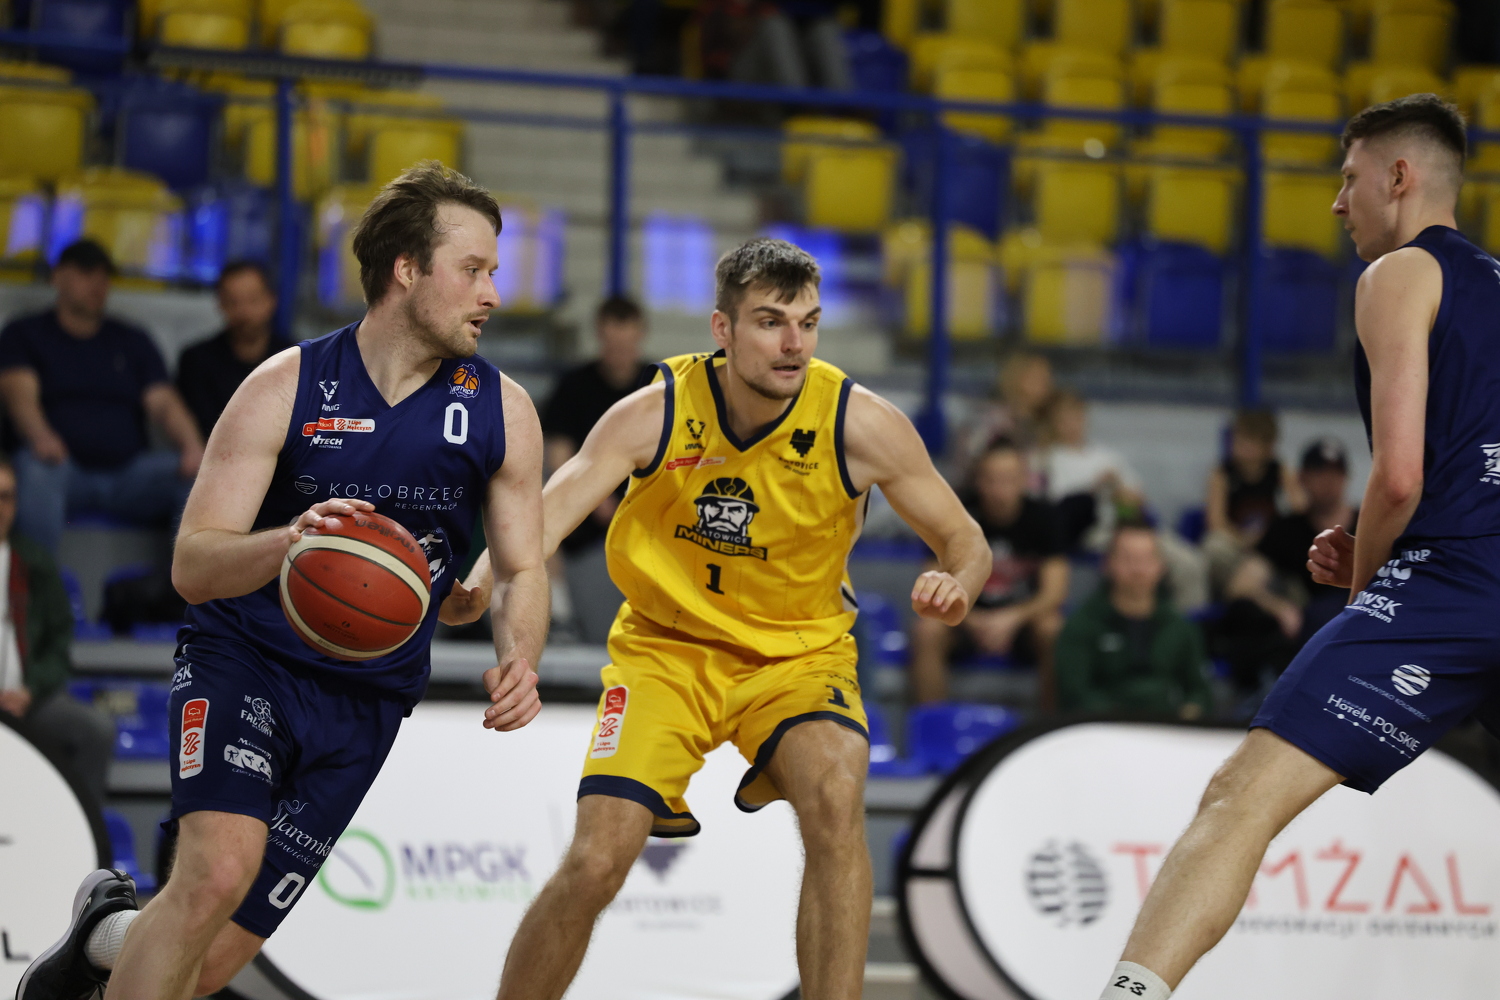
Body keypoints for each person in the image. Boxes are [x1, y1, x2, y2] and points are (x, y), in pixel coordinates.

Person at [17, 162, 548, 1000]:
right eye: (473, 269)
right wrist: (289, 543)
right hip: (247, 658)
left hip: (368, 698)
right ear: (407, 269)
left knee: (205, 968)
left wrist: (519, 655)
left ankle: (101, 939)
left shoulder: (502, 409)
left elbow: (521, 567)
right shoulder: (284, 385)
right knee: (215, 874)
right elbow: (193, 564)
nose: (493, 293)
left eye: (494, 271)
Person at [464, 237, 990, 1000]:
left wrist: (958, 582)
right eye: (771, 322)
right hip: (665, 654)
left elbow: (966, 539)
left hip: (798, 660)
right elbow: (547, 515)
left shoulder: (859, 423)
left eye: (807, 323)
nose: (794, 344)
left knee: (836, 799)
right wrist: (479, 581)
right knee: (597, 860)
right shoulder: (656, 411)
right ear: (723, 329)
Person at [1098, 94, 1490, 1000]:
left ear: (1400, 177)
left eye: (1350, 178)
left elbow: (1399, 476)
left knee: (1240, 798)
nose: (1338, 202)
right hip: (1475, 562)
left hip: (1451, 579)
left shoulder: (1398, 274)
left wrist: (1369, 592)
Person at [0, 239, 204, 553]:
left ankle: (188, 582)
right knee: (35, 471)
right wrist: (40, 436)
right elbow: (19, 395)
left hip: (129, 475)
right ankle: (39, 582)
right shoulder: (26, 333)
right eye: (85, 272)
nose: (97, 283)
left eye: (103, 275)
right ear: (58, 276)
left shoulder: (131, 339)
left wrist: (192, 446)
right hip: (62, 469)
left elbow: (164, 403)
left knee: (199, 477)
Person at [908, 440, 1068, 706]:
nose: (999, 490)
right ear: (978, 480)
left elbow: (1055, 592)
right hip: (962, 616)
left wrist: (1012, 618)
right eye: (991, 480)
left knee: (1053, 629)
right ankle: (933, 722)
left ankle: (1053, 723)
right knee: (927, 631)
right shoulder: (954, 515)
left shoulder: (1045, 518)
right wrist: (971, 618)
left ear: (1024, 480)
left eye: (1008, 479)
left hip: (1022, 620)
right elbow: (931, 584)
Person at [539, 294, 656, 641]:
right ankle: (559, 616)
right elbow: (559, 452)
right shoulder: (574, 386)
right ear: (599, 336)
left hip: (642, 508)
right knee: (537, 507)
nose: (619, 352)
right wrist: (594, 495)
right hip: (586, 507)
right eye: (612, 343)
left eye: (626, 344)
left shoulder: (658, 387)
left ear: (640, 335)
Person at [0, 455, 116, 806]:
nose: (0, 507)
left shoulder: (33, 562)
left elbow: (58, 641)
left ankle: (83, 828)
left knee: (95, 731)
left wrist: (29, 690)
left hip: (28, 699)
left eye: (6, 497)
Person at [1054, 523, 1211, 720]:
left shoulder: (1180, 626)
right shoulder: (1082, 625)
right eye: (1128, 559)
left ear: (1161, 565)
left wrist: (1190, 712)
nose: (1138, 569)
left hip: (1168, 729)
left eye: (1147, 559)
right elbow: (1074, 694)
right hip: (1104, 729)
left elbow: (1200, 691)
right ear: (1107, 564)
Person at [176, 261, 289, 439]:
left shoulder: (295, 358)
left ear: (271, 301)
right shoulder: (196, 360)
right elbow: (203, 428)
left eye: (252, 300)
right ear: (220, 303)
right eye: (233, 302)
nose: (243, 311)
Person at [1200, 407, 1306, 592]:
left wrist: (1268, 538)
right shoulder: (1222, 474)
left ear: (1268, 447)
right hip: (1235, 546)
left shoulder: (1279, 471)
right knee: (1214, 546)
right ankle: (1234, 592)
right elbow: (1216, 523)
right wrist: (1243, 540)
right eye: (1237, 440)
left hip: (1269, 546)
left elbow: (1300, 509)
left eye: (1248, 441)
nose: (1239, 446)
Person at [1039, 388, 1145, 551]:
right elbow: (1057, 506)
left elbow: (1139, 497)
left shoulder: (1108, 456)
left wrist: (1118, 489)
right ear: (1053, 423)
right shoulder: (1049, 459)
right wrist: (1094, 488)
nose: (1072, 426)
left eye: (1076, 418)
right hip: (1081, 534)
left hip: (1118, 529)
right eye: (1063, 421)